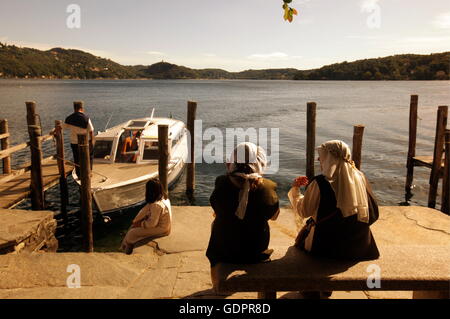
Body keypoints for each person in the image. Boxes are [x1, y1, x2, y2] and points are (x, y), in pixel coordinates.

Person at [288, 140, 380, 261]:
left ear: (329, 158)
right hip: (359, 246)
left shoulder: (320, 183)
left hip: (327, 248)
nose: (318, 159)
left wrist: (295, 190)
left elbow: (304, 212)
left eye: (321, 156)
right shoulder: (360, 177)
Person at [206, 142, 280, 285]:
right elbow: (274, 216)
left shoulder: (221, 182)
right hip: (255, 251)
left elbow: (216, 208)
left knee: (216, 225)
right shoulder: (268, 187)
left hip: (223, 249)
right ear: (259, 163)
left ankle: (216, 286)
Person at [121, 178, 172, 255]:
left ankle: (126, 252)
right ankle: (124, 247)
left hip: (162, 229)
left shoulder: (156, 205)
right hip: (165, 226)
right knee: (133, 228)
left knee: (132, 233)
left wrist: (140, 224)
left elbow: (152, 224)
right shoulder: (164, 198)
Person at [63, 102, 95, 177]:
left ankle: (79, 174)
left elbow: (62, 127)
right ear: (82, 108)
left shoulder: (69, 118)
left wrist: (54, 131)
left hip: (73, 142)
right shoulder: (86, 118)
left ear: (74, 108)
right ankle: (89, 172)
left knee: (77, 158)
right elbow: (91, 131)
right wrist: (92, 142)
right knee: (88, 157)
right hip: (84, 142)